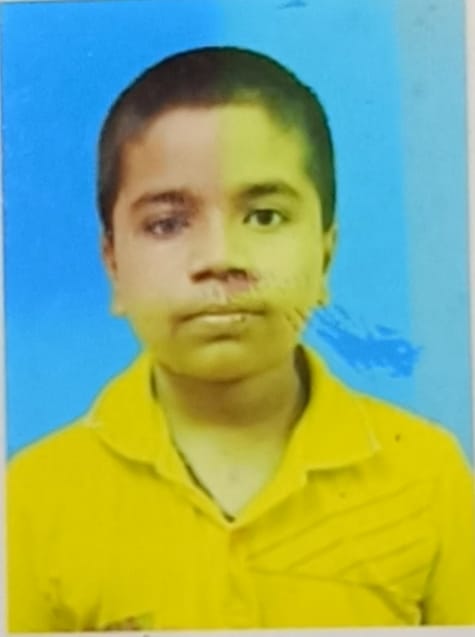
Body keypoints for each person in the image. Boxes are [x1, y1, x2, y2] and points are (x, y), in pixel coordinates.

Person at [6, 46, 475, 631]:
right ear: (114, 266)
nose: (221, 258)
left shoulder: (427, 474)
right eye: (168, 223)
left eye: (264, 216)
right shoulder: (32, 498)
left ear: (326, 255)